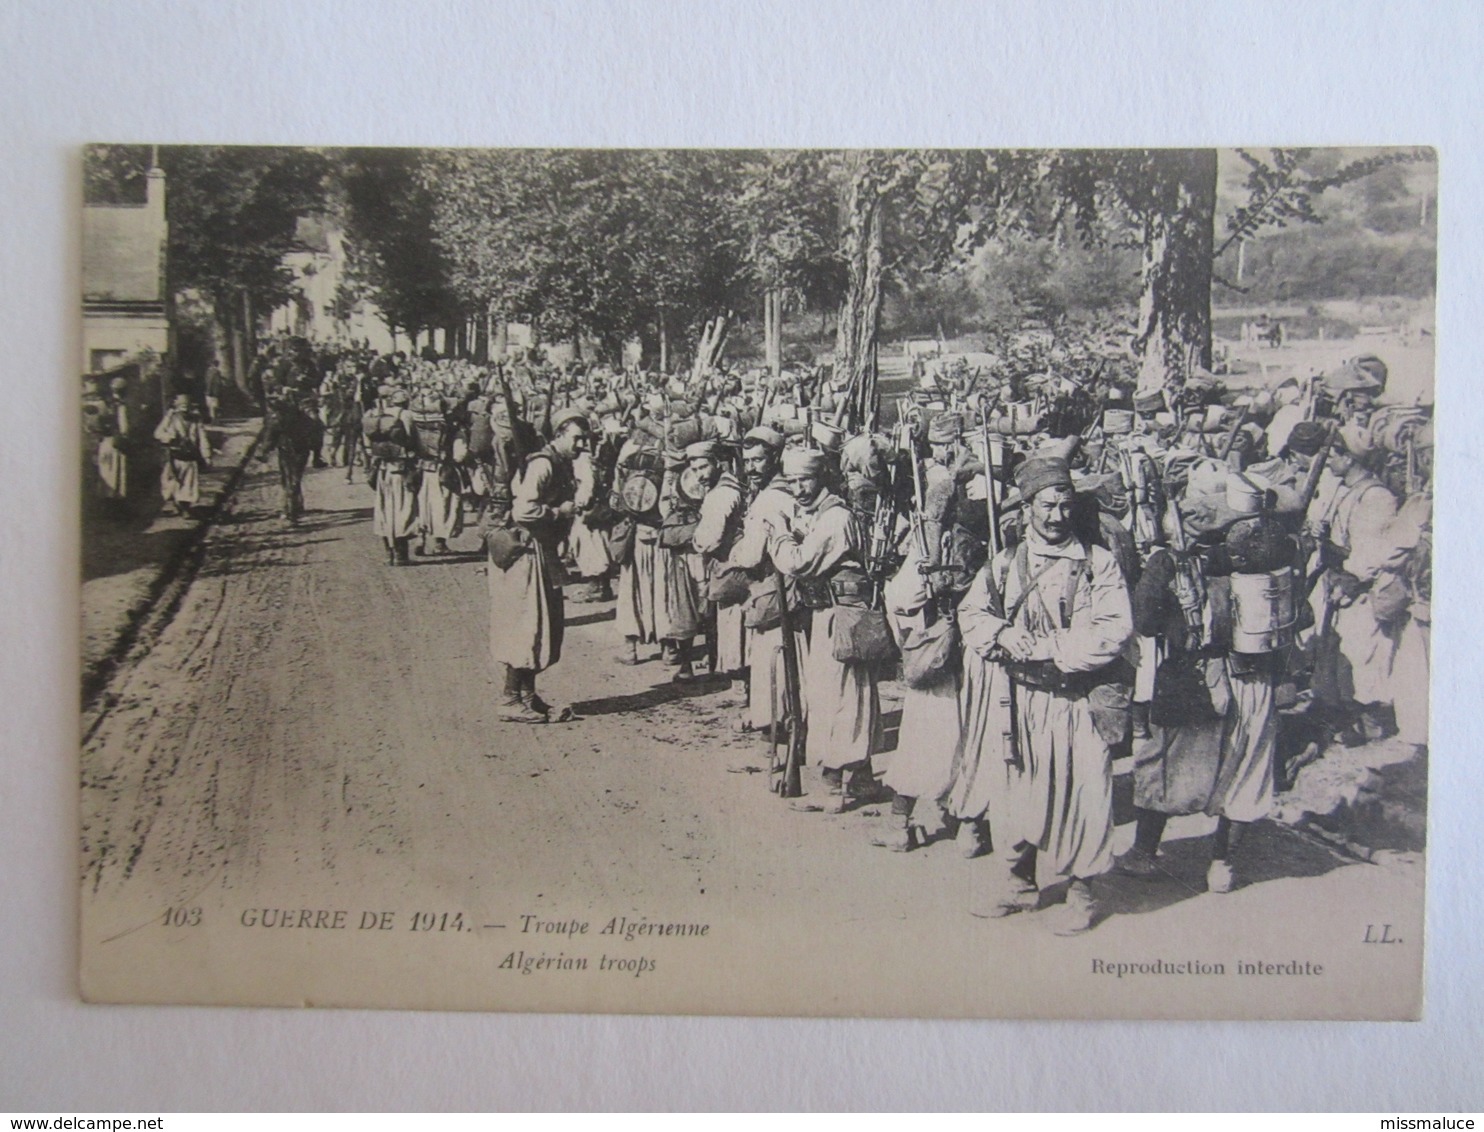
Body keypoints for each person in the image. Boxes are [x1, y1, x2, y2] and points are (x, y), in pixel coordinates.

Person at [954, 454, 1133, 933]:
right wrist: (1000, 633)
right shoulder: (1008, 562)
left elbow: (1115, 630)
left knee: (1086, 793)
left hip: (1079, 701)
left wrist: (1052, 649)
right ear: (1027, 506)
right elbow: (971, 614)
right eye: (1046, 506)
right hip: (1020, 702)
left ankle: (1082, 893)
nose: (1056, 517)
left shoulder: (1099, 564)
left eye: (1064, 506)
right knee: (1018, 793)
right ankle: (1018, 884)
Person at [766, 447, 880, 812]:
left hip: (841, 615)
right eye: (793, 481)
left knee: (846, 696)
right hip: (823, 614)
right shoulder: (817, 514)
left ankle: (845, 780)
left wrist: (780, 536)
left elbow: (798, 563)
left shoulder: (835, 519)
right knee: (830, 695)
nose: (799, 488)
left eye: (806, 479)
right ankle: (848, 776)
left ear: (823, 477)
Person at [488, 407, 590, 724]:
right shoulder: (543, 465)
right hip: (526, 553)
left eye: (585, 438)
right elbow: (524, 511)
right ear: (559, 435)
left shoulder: (559, 462)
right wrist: (559, 512)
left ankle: (528, 695)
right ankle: (509, 699)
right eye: (577, 438)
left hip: (541, 552)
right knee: (527, 623)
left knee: (543, 623)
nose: (582, 444)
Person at [363, 386, 419, 565]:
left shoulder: (379, 415)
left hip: (382, 469)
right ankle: (402, 555)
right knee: (403, 510)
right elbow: (412, 440)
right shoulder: (407, 416)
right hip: (401, 468)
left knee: (384, 511)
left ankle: (389, 553)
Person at [153, 393, 211, 517]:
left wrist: (206, 455)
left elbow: (202, 437)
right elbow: (158, 433)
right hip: (174, 455)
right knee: (172, 482)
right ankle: (175, 503)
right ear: (177, 407)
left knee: (188, 484)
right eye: (181, 407)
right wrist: (169, 437)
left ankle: (185, 508)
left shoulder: (195, 420)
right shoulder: (171, 418)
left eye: (187, 407)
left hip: (190, 456)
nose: (184, 410)